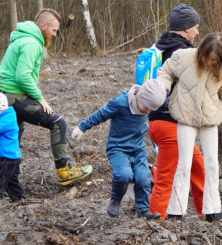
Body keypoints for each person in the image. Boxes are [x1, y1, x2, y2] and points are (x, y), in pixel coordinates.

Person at [148, 32, 222, 222]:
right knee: (184, 163)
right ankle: (176, 212)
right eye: (207, 57)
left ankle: (212, 210)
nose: (209, 62)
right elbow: (166, 72)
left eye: (214, 60)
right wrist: (162, 87)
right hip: (185, 116)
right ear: (201, 50)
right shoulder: (183, 56)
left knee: (212, 163)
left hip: (209, 118)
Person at [0, 9, 92, 186]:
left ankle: (7, 184)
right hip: (15, 97)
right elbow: (22, 76)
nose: (55, 35)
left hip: (5, 96)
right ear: (43, 25)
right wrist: (40, 98)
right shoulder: (32, 44)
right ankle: (65, 171)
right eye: (54, 30)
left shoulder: (21, 39)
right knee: (57, 123)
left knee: (13, 139)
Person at [140, 3, 208, 220]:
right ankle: (152, 222)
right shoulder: (183, 53)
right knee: (165, 178)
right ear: (187, 28)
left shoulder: (159, 48)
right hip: (171, 125)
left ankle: (207, 213)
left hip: (155, 123)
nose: (198, 32)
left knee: (198, 168)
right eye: (196, 27)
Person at [71, 81, 166, 217]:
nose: (148, 111)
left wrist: (155, 143)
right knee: (124, 175)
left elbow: (146, 126)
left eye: (151, 110)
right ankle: (115, 200)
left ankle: (143, 210)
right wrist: (82, 127)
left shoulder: (146, 107)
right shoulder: (121, 103)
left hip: (138, 149)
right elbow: (100, 114)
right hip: (118, 148)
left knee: (144, 177)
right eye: (147, 108)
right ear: (140, 97)